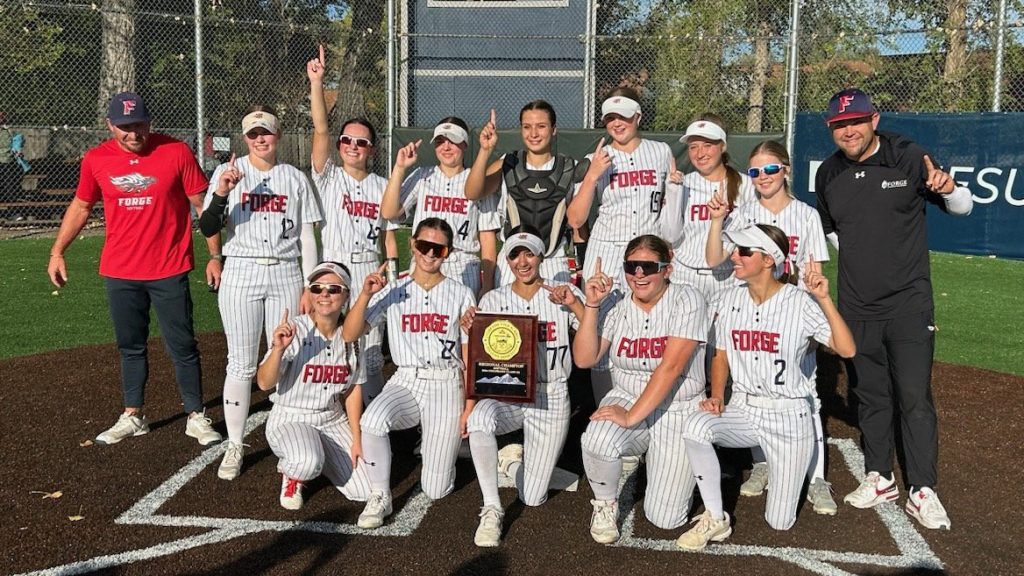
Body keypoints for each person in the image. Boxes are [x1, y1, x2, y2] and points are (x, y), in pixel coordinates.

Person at [815, 88, 972, 530]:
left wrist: (950, 189)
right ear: (831, 129)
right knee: (870, 394)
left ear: (874, 120)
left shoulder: (909, 157)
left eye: (856, 122)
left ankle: (922, 489)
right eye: (840, 125)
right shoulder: (828, 173)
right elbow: (833, 232)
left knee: (914, 397)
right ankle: (880, 476)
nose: (849, 131)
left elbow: (963, 208)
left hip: (908, 304)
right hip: (857, 306)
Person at [46, 92, 222, 446]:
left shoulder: (176, 151)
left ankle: (195, 415)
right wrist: (57, 251)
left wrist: (215, 256)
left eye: (139, 124)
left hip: (169, 267)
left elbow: (201, 205)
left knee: (182, 344)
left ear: (149, 122)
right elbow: (81, 206)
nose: (133, 133)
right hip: (121, 270)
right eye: (124, 127)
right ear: (110, 125)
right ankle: (133, 415)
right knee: (130, 345)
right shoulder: (96, 159)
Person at [676, 224, 855, 551]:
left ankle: (782, 468)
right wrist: (716, 396)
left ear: (769, 259)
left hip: (789, 418)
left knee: (780, 522)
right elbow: (721, 354)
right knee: (696, 426)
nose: (734, 256)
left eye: (744, 251)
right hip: (744, 409)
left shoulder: (799, 302)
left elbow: (847, 349)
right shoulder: (730, 298)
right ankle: (715, 516)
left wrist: (824, 299)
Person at [703, 140, 836, 514]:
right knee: (750, 388)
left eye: (771, 169)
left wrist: (813, 320)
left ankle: (816, 478)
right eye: (755, 171)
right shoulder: (743, 213)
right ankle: (761, 462)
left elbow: (813, 272)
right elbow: (714, 260)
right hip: (749, 311)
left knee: (806, 395)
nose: (763, 177)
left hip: (792, 318)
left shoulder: (805, 215)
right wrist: (717, 221)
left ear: (786, 170)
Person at [198, 105, 322, 481]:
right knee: (241, 363)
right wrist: (223, 192)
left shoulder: (294, 178)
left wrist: (309, 284)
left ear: (278, 135)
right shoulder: (229, 173)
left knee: (284, 356)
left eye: (265, 132)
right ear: (245, 138)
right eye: (253, 134)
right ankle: (235, 444)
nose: (260, 139)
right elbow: (207, 226)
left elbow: (307, 236)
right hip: (242, 268)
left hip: (285, 271)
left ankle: (289, 439)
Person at [342, 217, 475, 529]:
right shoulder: (394, 288)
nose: (430, 254)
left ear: (448, 253)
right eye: (424, 245)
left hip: (445, 382)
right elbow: (349, 333)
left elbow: (469, 355)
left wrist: (469, 406)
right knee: (372, 421)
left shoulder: (461, 293)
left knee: (436, 488)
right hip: (407, 380)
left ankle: (443, 445)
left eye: (439, 249)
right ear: (412, 244)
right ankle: (380, 494)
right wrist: (365, 295)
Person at [573, 235, 707, 545]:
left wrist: (631, 417)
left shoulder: (688, 298)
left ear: (667, 269)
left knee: (666, 518)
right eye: (631, 266)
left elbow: (671, 368)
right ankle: (604, 504)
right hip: (627, 394)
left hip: (677, 405)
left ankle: (689, 465)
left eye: (648, 267)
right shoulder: (616, 303)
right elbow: (585, 358)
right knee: (597, 438)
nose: (639, 274)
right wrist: (592, 304)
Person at [459, 227, 585, 547]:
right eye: (515, 255)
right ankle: (491, 508)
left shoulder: (562, 293)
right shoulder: (494, 298)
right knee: (480, 419)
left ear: (541, 256)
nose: (522, 261)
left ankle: (512, 461)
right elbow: (480, 353)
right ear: (507, 259)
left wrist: (576, 305)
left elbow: (594, 336)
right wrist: (471, 327)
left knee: (533, 496)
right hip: (509, 392)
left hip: (550, 393)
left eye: (529, 253)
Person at [568, 88, 677, 404]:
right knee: (602, 329)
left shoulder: (660, 151)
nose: (617, 124)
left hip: (648, 251)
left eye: (624, 117)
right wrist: (592, 176)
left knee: (651, 327)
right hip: (607, 251)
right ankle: (607, 406)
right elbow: (575, 219)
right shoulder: (596, 158)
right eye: (610, 118)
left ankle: (650, 405)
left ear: (638, 117)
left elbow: (671, 206)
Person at [307, 45, 398, 404]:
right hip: (334, 265)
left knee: (371, 351)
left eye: (362, 142)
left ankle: (371, 418)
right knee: (330, 341)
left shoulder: (382, 185)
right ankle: (326, 409)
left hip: (368, 268)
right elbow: (320, 130)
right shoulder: (328, 176)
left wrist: (392, 276)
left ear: (372, 149)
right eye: (347, 140)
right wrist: (317, 83)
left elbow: (389, 237)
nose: (353, 146)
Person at [256, 262, 372, 510]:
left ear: (346, 295)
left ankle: (319, 457)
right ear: (309, 293)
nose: (324, 294)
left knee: (366, 490)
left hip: (332, 418)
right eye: (317, 288)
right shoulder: (295, 329)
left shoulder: (352, 336)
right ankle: (293, 472)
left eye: (333, 289)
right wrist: (278, 350)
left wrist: (356, 438)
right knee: (307, 462)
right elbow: (264, 382)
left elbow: (354, 388)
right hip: (291, 417)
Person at [464, 101, 586, 286]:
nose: (533, 134)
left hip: (552, 261)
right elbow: (472, 192)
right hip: (512, 260)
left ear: (554, 129)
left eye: (541, 126)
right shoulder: (508, 163)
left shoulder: (570, 169)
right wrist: (485, 150)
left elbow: (580, 227)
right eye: (527, 127)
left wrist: (582, 267)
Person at [381, 117, 499, 296]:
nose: (446, 147)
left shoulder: (477, 181)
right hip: (423, 259)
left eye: (453, 141)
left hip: (462, 264)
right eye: (440, 142)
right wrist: (399, 168)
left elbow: (487, 238)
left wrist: (487, 286)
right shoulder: (422, 175)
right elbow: (389, 212)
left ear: (465, 144)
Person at [662, 114, 756, 308]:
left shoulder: (746, 185)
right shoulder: (682, 183)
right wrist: (672, 192)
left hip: (728, 278)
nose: (700, 153)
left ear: (722, 146)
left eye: (707, 145)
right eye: (693, 147)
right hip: (685, 276)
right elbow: (670, 236)